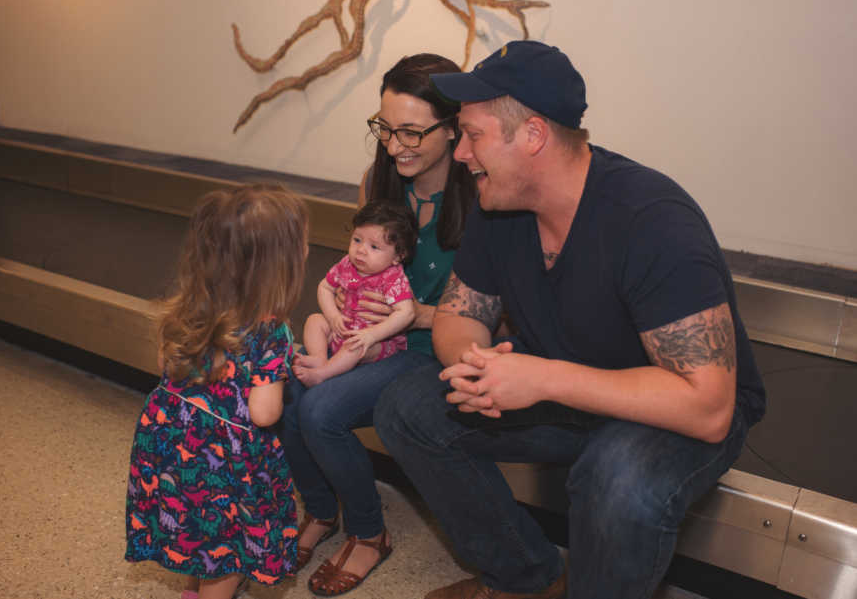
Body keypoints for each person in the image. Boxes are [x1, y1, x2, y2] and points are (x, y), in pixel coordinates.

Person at [374, 41, 767, 599]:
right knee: (407, 408)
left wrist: (540, 379)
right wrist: (480, 368)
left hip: (669, 413)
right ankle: (524, 579)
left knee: (617, 479)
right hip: (565, 394)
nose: (460, 153)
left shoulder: (652, 221)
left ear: (532, 136)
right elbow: (460, 316)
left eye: (473, 135)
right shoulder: (499, 201)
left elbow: (707, 408)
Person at [280, 53, 476, 596]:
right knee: (292, 385)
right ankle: (321, 514)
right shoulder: (379, 181)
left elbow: (501, 315)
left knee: (321, 411)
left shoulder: (484, 194)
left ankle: (369, 534)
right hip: (371, 340)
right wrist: (343, 320)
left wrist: (411, 317)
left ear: (454, 125)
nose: (394, 145)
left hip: (434, 347)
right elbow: (353, 273)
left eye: (411, 132)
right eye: (385, 129)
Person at [125, 185, 309, 599]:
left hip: (166, 439)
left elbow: (165, 365)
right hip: (225, 462)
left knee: (196, 532)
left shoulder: (190, 306)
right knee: (226, 551)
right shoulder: (270, 331)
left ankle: (193, 590)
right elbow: (264, 413)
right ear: (280, 266)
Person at [294, 201, 419, 387]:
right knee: (314, 320)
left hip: (376, 344)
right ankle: (319, 357)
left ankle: (323, 373)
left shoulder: (393, 278)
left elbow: (407, 313)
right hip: (343, 328)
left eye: (374, 247)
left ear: (397, 256)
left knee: (355, 347)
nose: (361, 250)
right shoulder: (347, 264)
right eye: (357, 240)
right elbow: (324, 287)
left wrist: (372, 335)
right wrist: (333, 316)